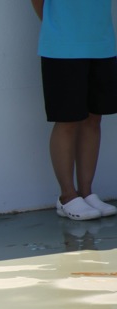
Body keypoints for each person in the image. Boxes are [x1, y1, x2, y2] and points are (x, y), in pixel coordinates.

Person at [31, 0, 117, 220]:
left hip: (102, 44)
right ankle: (67, 196)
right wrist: (58, 27)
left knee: (93, 118)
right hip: (61, 48)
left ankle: (86, 192)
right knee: (67, 121)